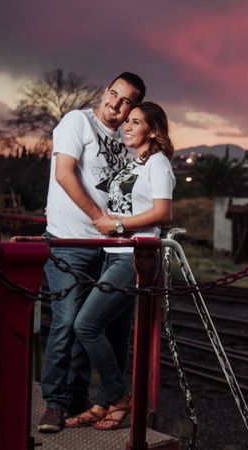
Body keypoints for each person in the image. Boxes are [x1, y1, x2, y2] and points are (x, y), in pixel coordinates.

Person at [38, 72, 146, 433]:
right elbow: (64, 174)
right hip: (69, 242)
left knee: (90, 326)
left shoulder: (125, 142)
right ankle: (53, 404)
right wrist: (100, 217)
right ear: (105, 91)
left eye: (126, 101)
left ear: (133, 107)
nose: (115, 104)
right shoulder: (77, 121)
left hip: (108, 249)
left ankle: (77, 399)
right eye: (113, 94)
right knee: (67, 321)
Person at [64, 102, 175, 430]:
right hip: (114, 254)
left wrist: (118, 226)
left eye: (136, 122)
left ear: (152, 131)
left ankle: (117, 396)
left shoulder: (158, 163)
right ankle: (103, 404)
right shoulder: (133, 164)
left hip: (135, 258)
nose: (127, 126)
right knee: (114, 336)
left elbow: (162, 212)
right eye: (127, 121)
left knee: (85, 325)